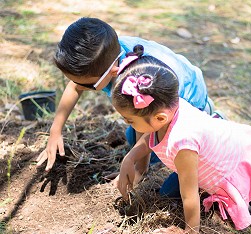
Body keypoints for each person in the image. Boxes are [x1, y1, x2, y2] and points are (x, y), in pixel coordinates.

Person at [111, 46, 251, 234]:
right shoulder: (169, 106)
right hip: (206, 160)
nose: (127, 124)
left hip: (243, 167)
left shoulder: (182, 142)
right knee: (166, 196)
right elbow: (150, 136)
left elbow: (189, 196)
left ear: (160, 118)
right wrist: (130, 158)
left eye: (129, 120)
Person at [36, 17, 219, 197]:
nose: (80, 86)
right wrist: (56, 130)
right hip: (152, 104)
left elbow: (148, 120)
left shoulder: (135, 78)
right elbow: (76, 85)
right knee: (134, 135)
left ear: (113, 72)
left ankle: (209, 122)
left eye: (89, 85)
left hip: (183, 101)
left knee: (166, 157)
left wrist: (139, 169)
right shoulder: (105, 55)